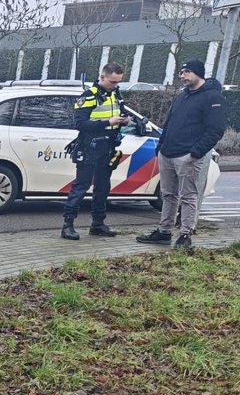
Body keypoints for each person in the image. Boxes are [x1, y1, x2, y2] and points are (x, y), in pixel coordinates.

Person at [136, 59, 226, 251]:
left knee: (188, 196)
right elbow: (168, 123)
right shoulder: (182, 96)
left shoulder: (212, 98)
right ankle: (164, 231)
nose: (182, 76)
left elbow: (216, 129)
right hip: (168, 153)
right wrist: (161, 146)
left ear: (198, 73)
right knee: (168, 194)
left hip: (188, 156)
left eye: (186, 72)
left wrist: (196, 152)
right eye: (181, 72)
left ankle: (185, 234)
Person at [60, 62, 130, 240]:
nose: (115, 85)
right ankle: (67, 225)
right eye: (113, 82)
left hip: (108, 147)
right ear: (102, 77)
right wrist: (108, 122)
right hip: (90, 147)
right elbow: (80, 124)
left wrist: (124, 120)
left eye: (118, 82)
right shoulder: (89, 96)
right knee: (81, 185)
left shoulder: (115, 94)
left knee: (103, 187)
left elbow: (118, 113)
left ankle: (98, 224)